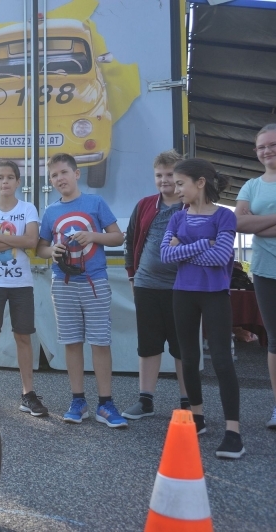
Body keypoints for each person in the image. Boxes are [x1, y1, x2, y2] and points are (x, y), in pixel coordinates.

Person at [161, 158, 244, 459]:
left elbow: (222, 256)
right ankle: (197, 418)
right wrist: (200, 246)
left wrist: (184, 249)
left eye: (181, 183)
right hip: (183, 293)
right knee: (187, 357)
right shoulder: (177, 217)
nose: (175, 188)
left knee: (222, 360)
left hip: (214, 294)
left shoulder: (224, 216)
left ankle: (233, 432)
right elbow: (165, 256)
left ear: (200, 182)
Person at [36, 153, 127, 428]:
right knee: (72, 343)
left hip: (94, 282)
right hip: (63, 285)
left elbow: (118, 236)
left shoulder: (95, 203)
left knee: (100, 341)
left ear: (76, 174)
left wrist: (93, 236)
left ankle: (105, 403)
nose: (59, 178)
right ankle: (78, 401)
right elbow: (40, 247)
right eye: (54, 175)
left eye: (64, 172)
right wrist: (53, 250)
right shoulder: (51, 212)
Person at [122, 150, 189, 420]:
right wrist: (132, 276)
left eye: (170, 174)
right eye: (159, 175)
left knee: (182, 347)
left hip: (182, 288)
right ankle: (145, 400)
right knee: (148, 345)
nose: (164, 180)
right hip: (146, 285)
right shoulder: (145, 205)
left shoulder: (190, 206)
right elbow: (130, 240)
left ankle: (188, 402)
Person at [0, 160, 47, 415]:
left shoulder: (28, 208)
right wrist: (15, 241)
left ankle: (28, 394)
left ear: (18, 182)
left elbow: (32, 241)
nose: (5, 181)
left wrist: (0, 237)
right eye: (0, 177)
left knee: (23, 337)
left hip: (21, 284)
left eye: (10, 177)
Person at [234, 123, 276, 430]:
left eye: (272, 144)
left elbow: (251, 224)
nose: (267, 151)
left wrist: (258, 223)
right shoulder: (251, 186)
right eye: (262, 147)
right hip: (265, 271)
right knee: (274, 340)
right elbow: (239, 224)